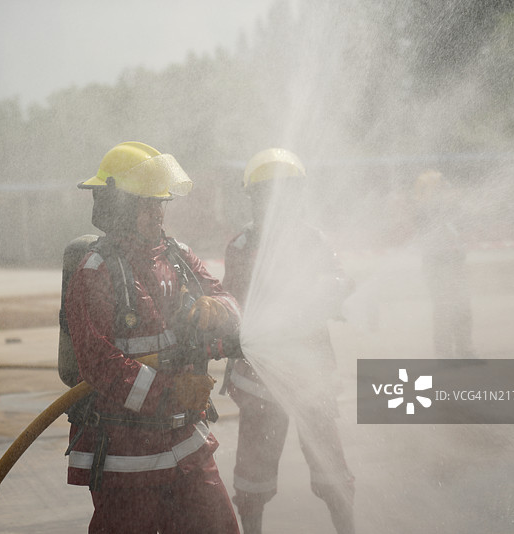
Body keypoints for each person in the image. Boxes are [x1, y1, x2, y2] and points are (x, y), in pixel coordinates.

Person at [64, 141, 242, 533]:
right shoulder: (96, 272)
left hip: (185, 443)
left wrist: (220, 310)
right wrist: (169, 392)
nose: (159, 213)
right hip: (127, 457)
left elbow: (227, 299)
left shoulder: (177, 255)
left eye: (161, 203)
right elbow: (98, 362)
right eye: (149, 204)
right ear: (120, 206)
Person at [222, 148, 355, 534]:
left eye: (286, 193)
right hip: (260, 379)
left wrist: (330, 290)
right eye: (269, 194)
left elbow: (336, 278)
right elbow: (232, 302)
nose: (278, 202)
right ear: (253, 198)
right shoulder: (243, 247)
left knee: (332, 472)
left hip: (311, 378)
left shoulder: (312, 241)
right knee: (252, 481)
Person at [414, 169, 475, 359]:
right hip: (436, 264)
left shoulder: (450, 208)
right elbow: (432, 217)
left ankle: (465, 351)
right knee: (444, 308)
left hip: (454, 262)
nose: (445, 189)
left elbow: (459, 224)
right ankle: (445, 354)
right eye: (439, 186)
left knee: (463, 306)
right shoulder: (423, 210)